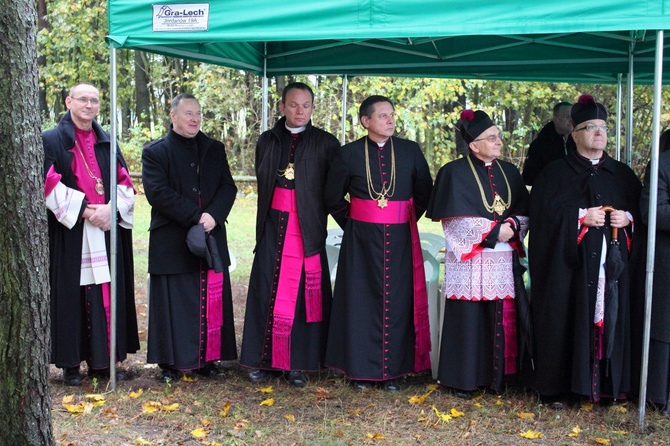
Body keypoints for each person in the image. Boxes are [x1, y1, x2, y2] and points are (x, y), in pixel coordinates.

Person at [527, 94, 642, 408]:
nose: (599, 133)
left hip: (612, 270)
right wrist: (578, 218)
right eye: (590, 127)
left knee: (614, 319)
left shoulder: (623, 175)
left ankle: (611, 387)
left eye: (603, 127)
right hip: (571, 272)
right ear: (574, 133)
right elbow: (541, 220)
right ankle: (563, 389)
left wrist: (627, 219)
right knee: (567, 318)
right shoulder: (553, 175)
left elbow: (641, 215)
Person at [323, 95, 433, 392]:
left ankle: (393, 372)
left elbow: (424, 191)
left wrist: (404, 218)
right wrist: (356, 223)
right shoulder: (348, 154)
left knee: (397, 301)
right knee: (359, 301)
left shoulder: (410, 151)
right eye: (383, 115)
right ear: (365, 121)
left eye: (392, 115)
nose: (390, 120)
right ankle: (360, 370)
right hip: (360, 240)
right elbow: (332, 197)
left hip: (400, 239)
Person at [239, 82, 341, 387]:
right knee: (265, 292)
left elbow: (333, 191)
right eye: (294, 105)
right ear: (282, 107)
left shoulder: (326, 143)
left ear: (313, 108)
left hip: (306, 229)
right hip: (272, 228)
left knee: (300, 298)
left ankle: (299, 363)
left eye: (306, 105)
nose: (300, 111)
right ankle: (263, 361)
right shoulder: (267, 140)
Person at [426, 109, 529, 398]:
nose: (499, 142)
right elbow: (453, 220)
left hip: (503, 257)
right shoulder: (452, 172)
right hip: (471, 259)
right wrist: (494, 232)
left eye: (499, 136)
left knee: (500, 317)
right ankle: (464, 380)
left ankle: (500, 378)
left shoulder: (509, 171)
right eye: (492, 137)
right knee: (470, 320)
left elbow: (524, 210)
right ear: (474, 145)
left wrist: (512, 225)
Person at [43, 83, 139, 386]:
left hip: (105, 228)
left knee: (104, 294)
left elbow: (125, 184)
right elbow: (48, 183)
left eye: (95, 100)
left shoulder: (107, 141)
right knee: (71, 295)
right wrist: (87, 211)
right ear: (69, 101)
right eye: (83, 99)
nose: (89, 105)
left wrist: (110, 210)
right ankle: (70, 364)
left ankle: (103, 361)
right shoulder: (51, 139)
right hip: (71, 231)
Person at [142, 93, 238, 382]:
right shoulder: (155, 151)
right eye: (188, 114)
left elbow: (227, 187)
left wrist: (213, 216)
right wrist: (196, 216)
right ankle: (172, 363)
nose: (195, 119)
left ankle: (207, 360)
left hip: (210, 236)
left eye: (198, 113)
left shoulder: (214, 148)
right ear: (173, 116)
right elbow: (158, 193)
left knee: (209, 300)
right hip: (172, 239)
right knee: (175, 303)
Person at [636, 129, 670, 414]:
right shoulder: (663, 164)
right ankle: (660, 395)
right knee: (665, 325)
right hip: (667, 259)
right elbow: (652, 211)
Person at [522, 102, 576, 186]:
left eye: (573, 116)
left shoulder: (579, 143)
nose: (571, 120)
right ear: (555, 119)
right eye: (567, 116)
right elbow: (528, 177)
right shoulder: (539, 145)